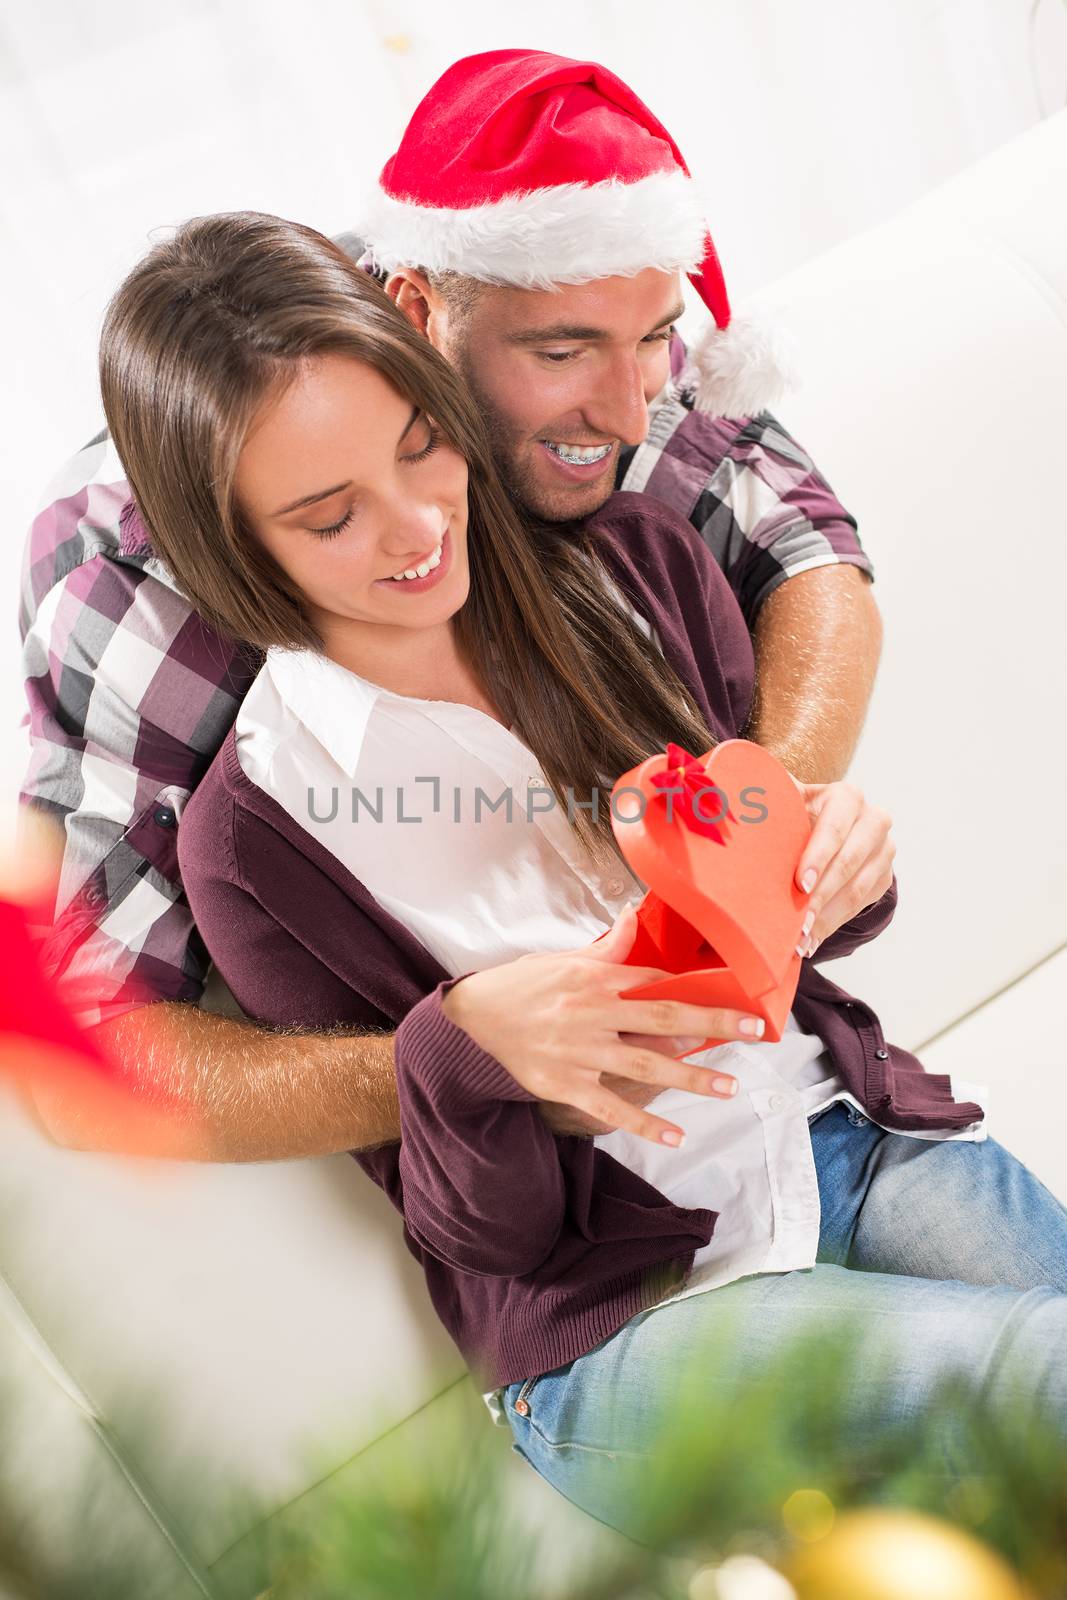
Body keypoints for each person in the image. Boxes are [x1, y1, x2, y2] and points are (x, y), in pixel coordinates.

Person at [99, 209, 1067, 1536]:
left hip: (835, 1137)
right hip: (615, 1326)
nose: (412, 527)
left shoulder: (638, 571)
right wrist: (474, 1056)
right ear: (232, 542)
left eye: (420, 445)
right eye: (328, 516)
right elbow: (489, 1237)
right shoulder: (255, 839)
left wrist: (829, 858)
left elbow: (772, 942)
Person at [19, 50, 882, 1156]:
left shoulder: (589, 297)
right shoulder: (128, 587)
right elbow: (79, 1046)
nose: (629, 413)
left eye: (655, 342)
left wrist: (768, 835)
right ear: (421, 317)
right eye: (562, 353)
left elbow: (804, 546)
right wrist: (465, 1055)